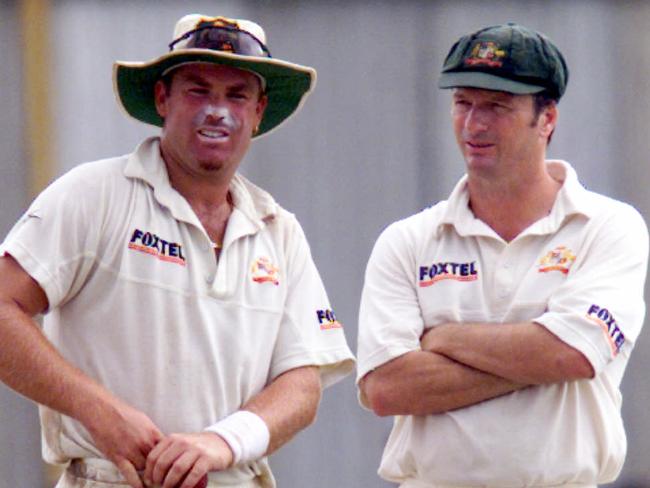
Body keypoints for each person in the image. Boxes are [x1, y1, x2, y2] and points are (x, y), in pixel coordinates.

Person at [0, 13, 354, 488]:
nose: (217, 111)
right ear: (163, 98)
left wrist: (222, 442)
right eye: (198, 90)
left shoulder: (279, 229)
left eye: (236, 95)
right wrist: (99, 412)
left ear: (259, 111)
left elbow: (303, 384)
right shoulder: (94, 194)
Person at [357, 22, 648, 488]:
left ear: (547, 118)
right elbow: (387, 389)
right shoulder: (408, 240)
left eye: (498, 106)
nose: (474, 124)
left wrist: (444, 338)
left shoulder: (608, 227)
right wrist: (537, 357)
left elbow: (571, 356)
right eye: (463, 103)